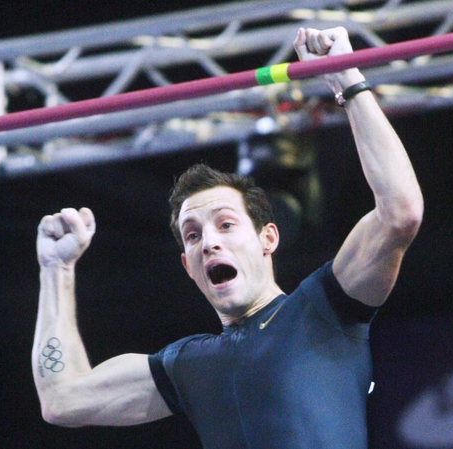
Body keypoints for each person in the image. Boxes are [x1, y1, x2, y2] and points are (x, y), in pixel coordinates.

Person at [32, 27, 423, 448]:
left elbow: (400, 212)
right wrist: (56, 268)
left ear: (268, 238)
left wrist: (346, 78)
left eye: (226, 224)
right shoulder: (187, 364)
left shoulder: (322, 312)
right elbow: (62, 399)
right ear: (188, 265)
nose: (209, 242)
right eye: (193, 235)